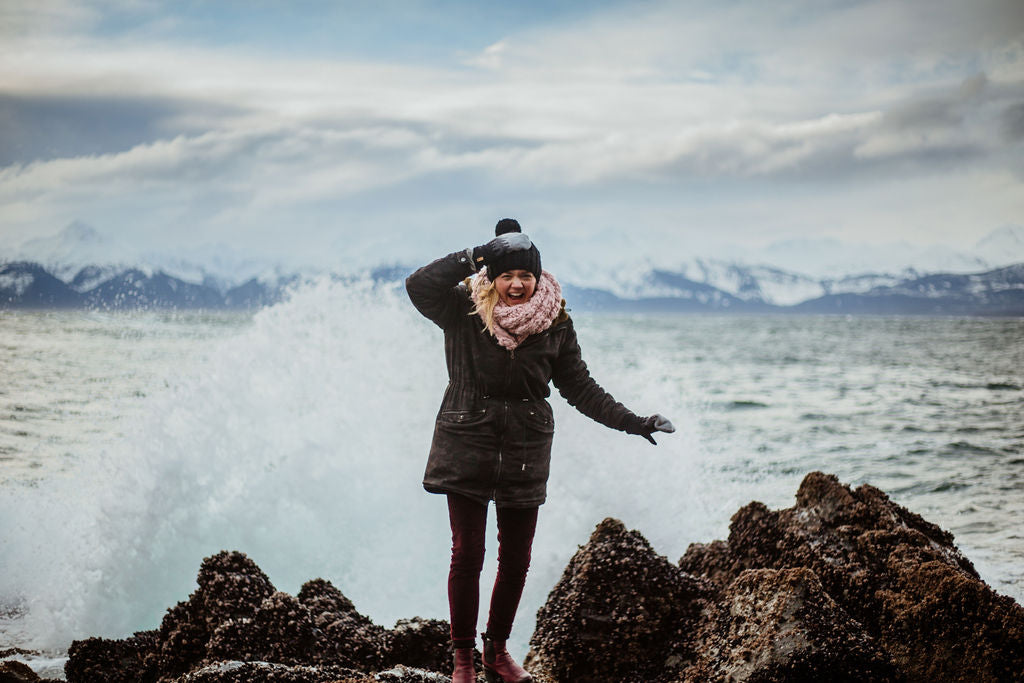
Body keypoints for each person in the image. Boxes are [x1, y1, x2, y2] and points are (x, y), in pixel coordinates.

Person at [405, 218, 675, 683]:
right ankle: (463, 659)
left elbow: (580, 388)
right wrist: (473, 256)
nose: (516, 284)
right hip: (466, 440)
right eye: (507, 275)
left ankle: (496, 651)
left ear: (537, 277)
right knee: (468, 553)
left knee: (516, 558)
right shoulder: (463, 309)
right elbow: (417, 286)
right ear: (492, 276)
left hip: (526, 447)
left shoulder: (556, 321)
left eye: (525, 276)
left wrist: (634, 423)